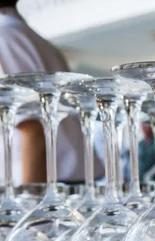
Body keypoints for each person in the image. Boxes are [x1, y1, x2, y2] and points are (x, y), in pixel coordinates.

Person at [0, 0, 103, 185]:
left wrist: (29, 202)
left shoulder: (5, 35)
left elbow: (32, 125)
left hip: (38, 184)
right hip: (65, 181)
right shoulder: (34, 39)